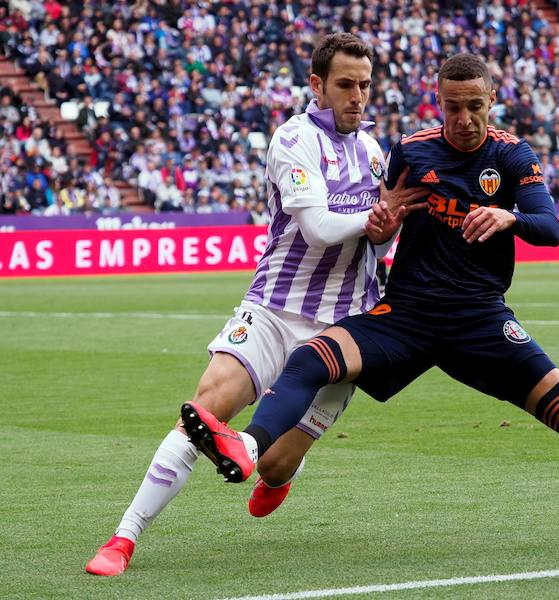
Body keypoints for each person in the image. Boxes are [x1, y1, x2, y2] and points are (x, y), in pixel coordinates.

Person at [181, 53, 559, 546]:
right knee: (311, 358)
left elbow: (550, 228)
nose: (463, 118)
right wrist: (382, 223)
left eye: (474, 106)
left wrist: (511, 217)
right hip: (405, 315)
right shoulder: (411, 151)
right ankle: (248, 447)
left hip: (480, 320)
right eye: (453, 106)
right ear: (440, 102)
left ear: (491, 101)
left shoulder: (511, 156)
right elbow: (380, 229)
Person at [85, 33, 427, 576]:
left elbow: (377, 242)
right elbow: (316, 229)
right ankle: (122, 540)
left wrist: (384, 228)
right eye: (345, 85)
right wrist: (372, 218)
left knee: (273, 462)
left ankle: (282, 476)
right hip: (274, 307)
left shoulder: (374, 152)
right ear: (317, 85)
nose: (357, 96)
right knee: (206, 406)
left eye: (364, 85)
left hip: (345, 326)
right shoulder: (293, 140)